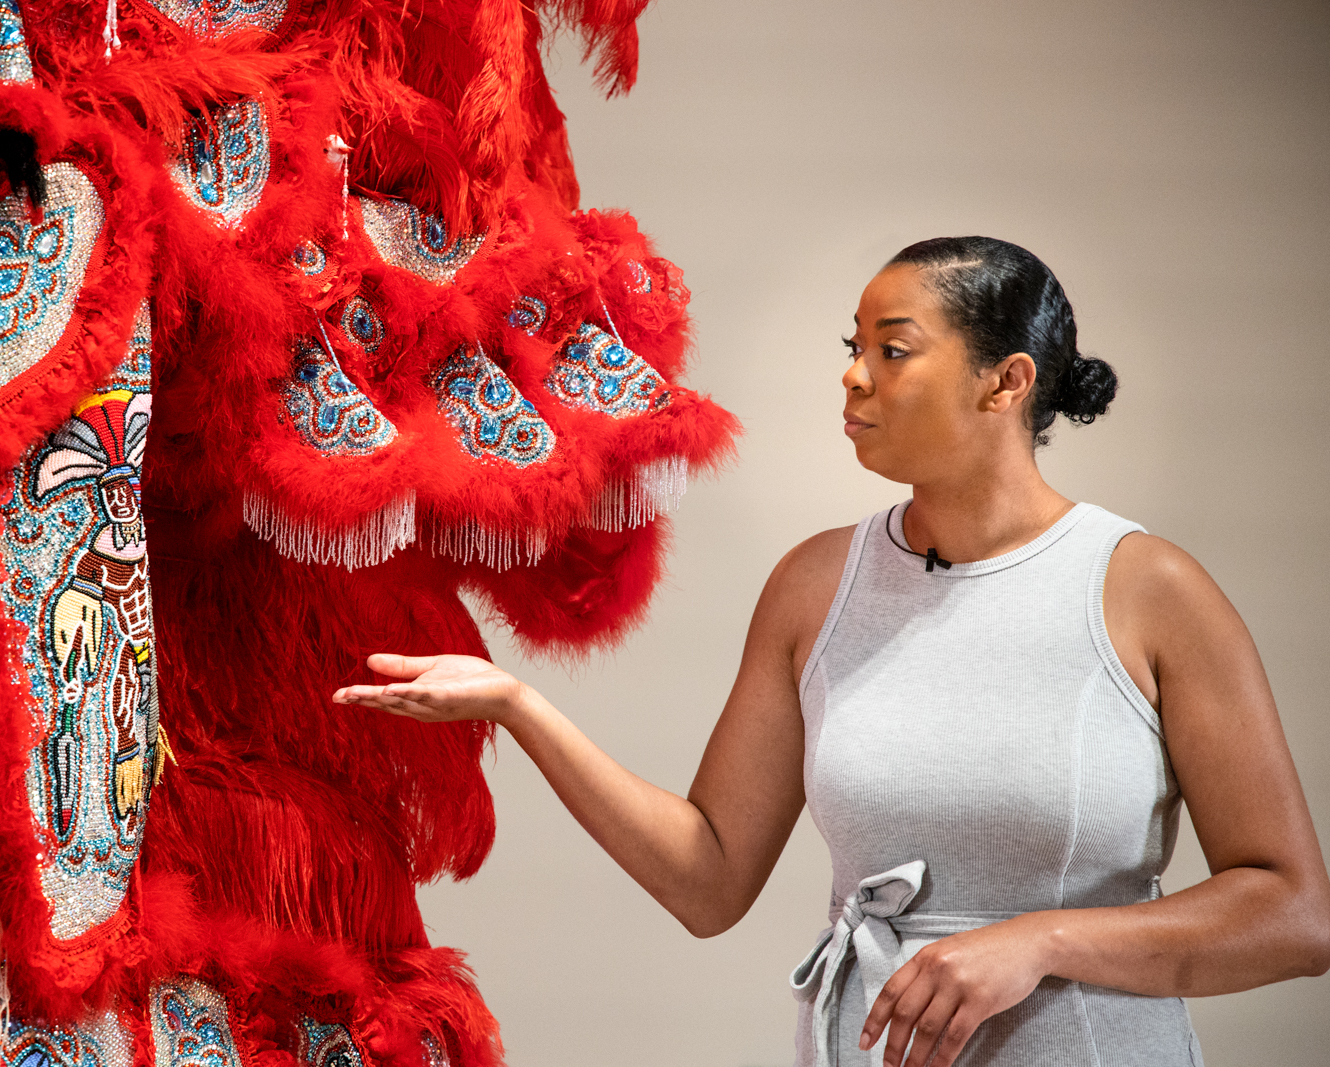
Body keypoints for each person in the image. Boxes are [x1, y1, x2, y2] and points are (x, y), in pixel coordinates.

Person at [333, 236, 1330, 1067]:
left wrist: (1041, 940)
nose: (852, 375)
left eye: (893, 350)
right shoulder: (817, 586)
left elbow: (1292, 911)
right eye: (852, 346)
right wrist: (520, 704)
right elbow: (707, 878)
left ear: (1005, 382)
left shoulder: (1146, 587)